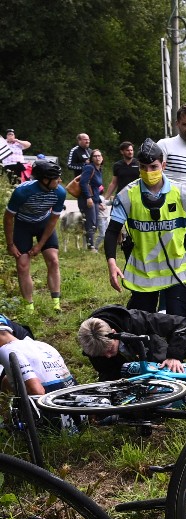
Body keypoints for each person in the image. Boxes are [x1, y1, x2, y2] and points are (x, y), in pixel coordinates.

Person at [105, 139, 186, 318]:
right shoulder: (126, 195)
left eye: (153, 167)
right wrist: (112, 263)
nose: (148, 172)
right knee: (142, 330)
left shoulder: (182, 192)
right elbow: (112, 232)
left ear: (163, 165)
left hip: (178, 273)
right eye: (143, 167)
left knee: (178, 329)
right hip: (143, 276)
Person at [4, 159, 65, 313]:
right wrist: (10, 244)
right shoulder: (22, 192)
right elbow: (8, 217)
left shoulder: (59, 192)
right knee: (22, 265)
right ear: (45, 180)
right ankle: (29, 307)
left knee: (53, 259)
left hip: (43, 223)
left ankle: (56, 303)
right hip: (22, 225)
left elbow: (53, 220)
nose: (60, 180)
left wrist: (40, 245)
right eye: (56, 178)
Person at [77, 305, 186, 381]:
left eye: (110, 349)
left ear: (114, 333)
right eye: (101, 355)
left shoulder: (135, 320)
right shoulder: (92, 345)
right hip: (123, 370)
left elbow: (178, 323)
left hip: (154, 354)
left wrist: (174, 356)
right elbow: (107, 372)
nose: (107, 355)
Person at [0, 314, 74, 395]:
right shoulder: (43, 345)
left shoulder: (7, 350)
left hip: (52, 404)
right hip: (74, 397)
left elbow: (36, 391)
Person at [79, 149, 105, 251]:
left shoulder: (99, 169)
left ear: (102, 158)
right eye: (95, 156)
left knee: (94, 223)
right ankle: (91, 246)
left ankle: (89, 244)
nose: (97, 158)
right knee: (90, 222)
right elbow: (83, 183)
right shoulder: (89, 168)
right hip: (87, 199)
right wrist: (88, 197)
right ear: (91, 158)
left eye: (99, 156)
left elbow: (95, 188)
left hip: (94, 199)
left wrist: (99, 202)